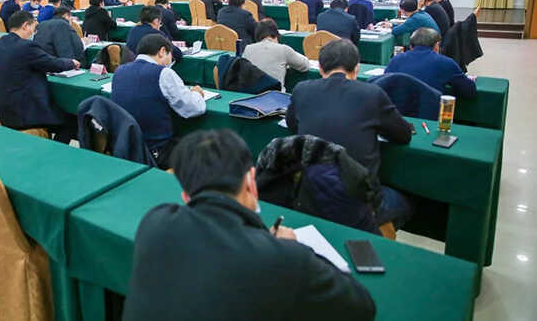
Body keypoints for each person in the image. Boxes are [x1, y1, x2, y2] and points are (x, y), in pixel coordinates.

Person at [123, 129, 376, 321]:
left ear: (186, 195)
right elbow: (362, 307)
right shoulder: (286, 259)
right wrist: (295, 248)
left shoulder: (153, 223)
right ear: (250, 182)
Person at [286, 39, 414, 228]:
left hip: (309, 197)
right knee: (406, 201)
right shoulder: (372, 93)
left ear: (320, 68)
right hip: (357, 203)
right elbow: (403, 135)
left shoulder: (301, 90)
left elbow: (292, 125)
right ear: (357, 68)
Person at [111, 34, 205, 168]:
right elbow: (194, 108)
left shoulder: (119, 71)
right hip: (155, 152)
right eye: (170, 57)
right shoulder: (163, 73)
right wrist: (196, 94)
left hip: (125, 148)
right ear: (162, 51)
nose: (170, 62)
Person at [0, 11, 77, 143]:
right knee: (72, 121)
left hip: (3, 110)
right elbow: (52, 64)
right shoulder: (26, 46)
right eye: (34, 28)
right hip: (25, 112)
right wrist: (72, 63)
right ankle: (53, 150)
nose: (34, 32)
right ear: (25, 26)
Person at [385, 28, 477, 97]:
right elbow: (469, 91)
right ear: (436, 46)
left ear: (411, 46)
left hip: (396, 112)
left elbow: (384, 85)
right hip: (429, 113)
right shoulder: (446, 63)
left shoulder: (395, 60)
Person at [243, 19, 309, 88]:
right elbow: (305, 65)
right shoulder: (283, 49)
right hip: (275, 93)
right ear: (276, 34)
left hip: (252, 93)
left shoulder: (247, 49)